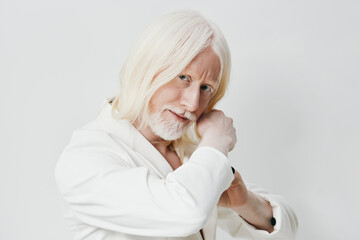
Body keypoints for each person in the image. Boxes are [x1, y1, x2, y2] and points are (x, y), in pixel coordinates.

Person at [55, 10, 298, 240]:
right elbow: (185, 211)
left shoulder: (193, 155)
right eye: (184, 77)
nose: (193, 104)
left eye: (206, 88)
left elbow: (287, 230)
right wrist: (216, 140)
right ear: (146, 68)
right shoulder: (85, 158)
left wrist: (244, 201)